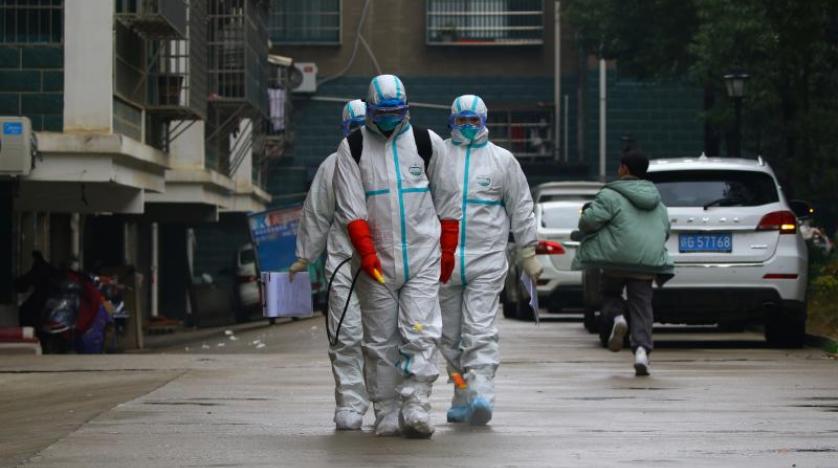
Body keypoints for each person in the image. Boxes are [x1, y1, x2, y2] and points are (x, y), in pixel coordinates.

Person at [333, 74, 461, 438]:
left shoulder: (426, 143)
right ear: (370, 110)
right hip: (376, 264)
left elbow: (448, 200)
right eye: (382, 113)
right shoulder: (353, 147)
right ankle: (386, 410)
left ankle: (416, 405)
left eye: (396, 112)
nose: (389, 119)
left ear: (406, 109)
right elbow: (351, 208)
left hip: (422, 257)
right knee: (379, 342)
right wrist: (366, 251)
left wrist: (447, 249)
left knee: (421, 332)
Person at [438, 95, 542, 426]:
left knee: (480, 330)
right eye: (462, 121)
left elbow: (521, 206)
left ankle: (481, 393)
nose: (468, 126)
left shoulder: (502, 160)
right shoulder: (438, 156)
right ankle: (461, 393)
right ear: (451, 121)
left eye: (474, 120)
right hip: (443, 261)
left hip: (486, 260)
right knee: (448, 339)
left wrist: (528, 251)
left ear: (484, 121)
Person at [287, 99, 369, 431]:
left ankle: (389, 402)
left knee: (387, 337)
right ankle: (350, 401)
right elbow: (317, 213)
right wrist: (305, 255)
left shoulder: (397, 162)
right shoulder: (332, 166)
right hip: (344, 262)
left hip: (388, 264)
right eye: (354, 128)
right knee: (345, 333)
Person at [572, 150, 673, 376]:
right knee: (642, 307)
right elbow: (665, 230)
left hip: (615, 260)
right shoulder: (657, 200)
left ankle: (618, 318)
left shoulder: (610, 194)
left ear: (624, 169)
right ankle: (642, 352)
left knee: (609, 294)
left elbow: (588, 223)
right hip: (646, 263)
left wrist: (586, 214)